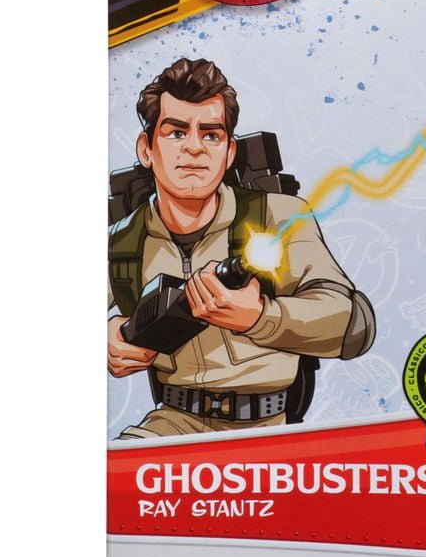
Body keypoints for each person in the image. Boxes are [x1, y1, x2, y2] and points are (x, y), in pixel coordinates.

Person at [107, 57, 375, 438]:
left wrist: (261, 317)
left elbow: (355, 326)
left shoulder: (277, 216)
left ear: (229, 152)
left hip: (271, 428)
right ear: (146, 149)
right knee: (126, 471)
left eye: (211, 135)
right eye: (177, 132)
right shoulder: (121, 242)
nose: (195, 148)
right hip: (173, 423)